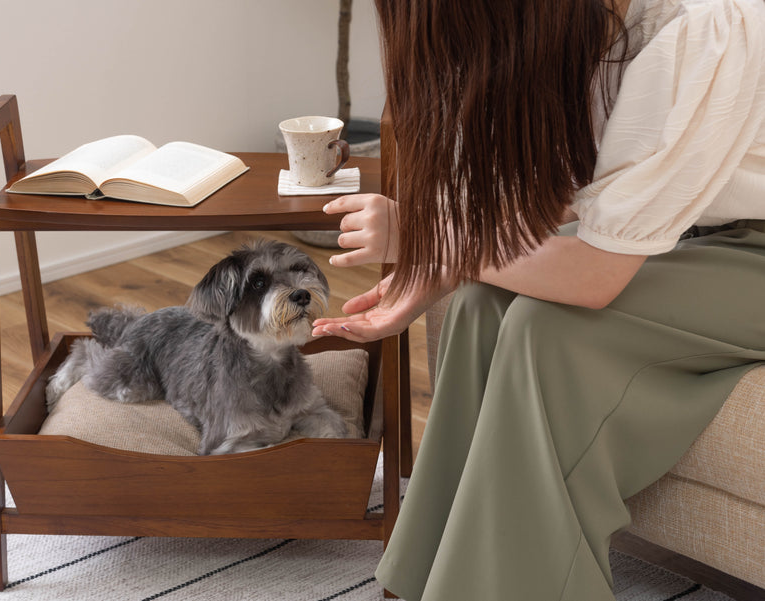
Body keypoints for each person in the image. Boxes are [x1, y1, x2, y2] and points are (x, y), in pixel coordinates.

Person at [311, 0, 765, 599]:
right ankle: (429, 581)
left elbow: (594, 276)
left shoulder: (703, 29)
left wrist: (430, 236)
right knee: (481, 305)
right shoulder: (600, 29)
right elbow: (575, 200)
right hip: (691, 239)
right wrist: (439, 269)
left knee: (543, 328)